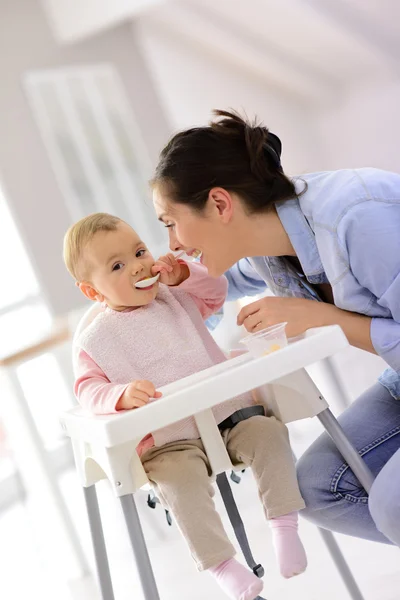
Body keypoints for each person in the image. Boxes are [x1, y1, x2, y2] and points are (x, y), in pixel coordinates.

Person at [151, 109, 400, 547]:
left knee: (392, 504)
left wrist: (326, 319)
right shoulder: (268, 244)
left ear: (220, 204)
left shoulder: (358, 218)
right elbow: (227, 280)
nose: (172, 243)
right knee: (320, 486)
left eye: (170, 223)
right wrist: (169, 279)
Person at [63, 213, 308, 600]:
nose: (139, 264)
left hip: (228, 414)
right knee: (178, 486)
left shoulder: (174, 295)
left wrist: (184, 274)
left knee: (269, 433)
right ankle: (222, 566)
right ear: (93, 292)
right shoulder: (96, 340)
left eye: (140, 250)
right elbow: (88, 390)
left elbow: (216, 291)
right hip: (170, 441)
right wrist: (120, 395)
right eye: (117, 265)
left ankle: (284, 526)